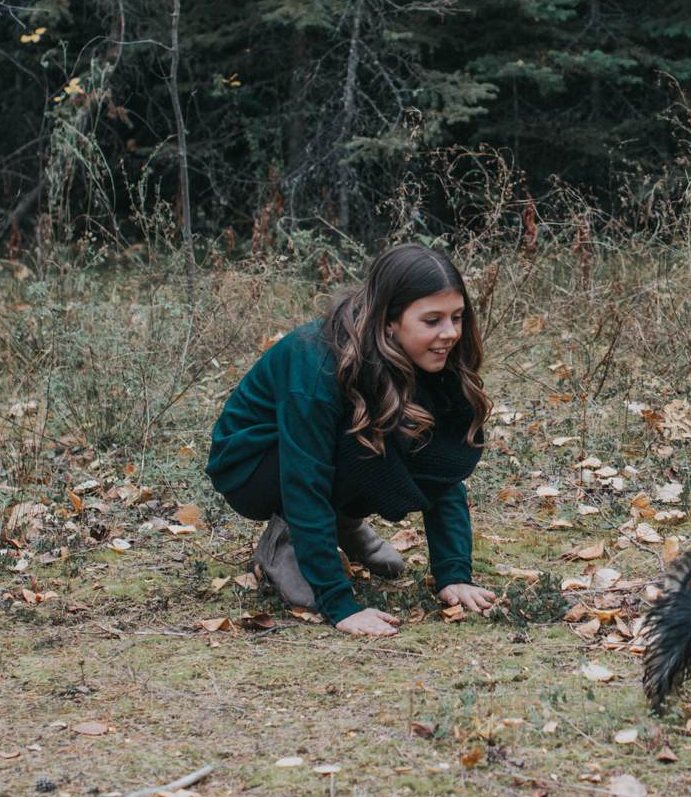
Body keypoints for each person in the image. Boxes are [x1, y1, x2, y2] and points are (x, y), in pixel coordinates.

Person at [206, 243, 498, 635]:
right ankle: (283, 544)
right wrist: (338, 603)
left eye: (457, 317)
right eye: (432, 320)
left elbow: (440, 465)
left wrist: (454, 573)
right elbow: (304, 479)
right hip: (252, 468)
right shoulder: (317, 361)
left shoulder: (422, 354)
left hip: (316, 454)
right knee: (354, 430)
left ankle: (343, 523)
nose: (450, 333)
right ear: (389, 321)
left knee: (393, 429)